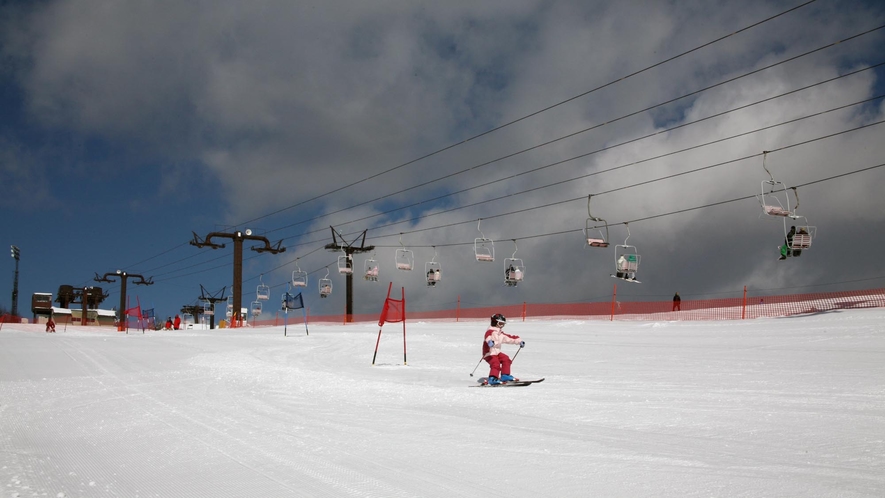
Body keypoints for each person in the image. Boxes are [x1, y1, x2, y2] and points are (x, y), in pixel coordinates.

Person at [482, 313, 524, 385]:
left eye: (503, 324)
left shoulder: (500, 334)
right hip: (489, 353)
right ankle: (492, 378)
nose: (502, 326)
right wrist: (489, 342)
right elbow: (487, 337)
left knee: (506, 359)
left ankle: (505, 375)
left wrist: (519, 341)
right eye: (500, 323)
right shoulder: (490, 331)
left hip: (497, 353)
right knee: (496, 363)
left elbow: (510, 338)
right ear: (495, 322)